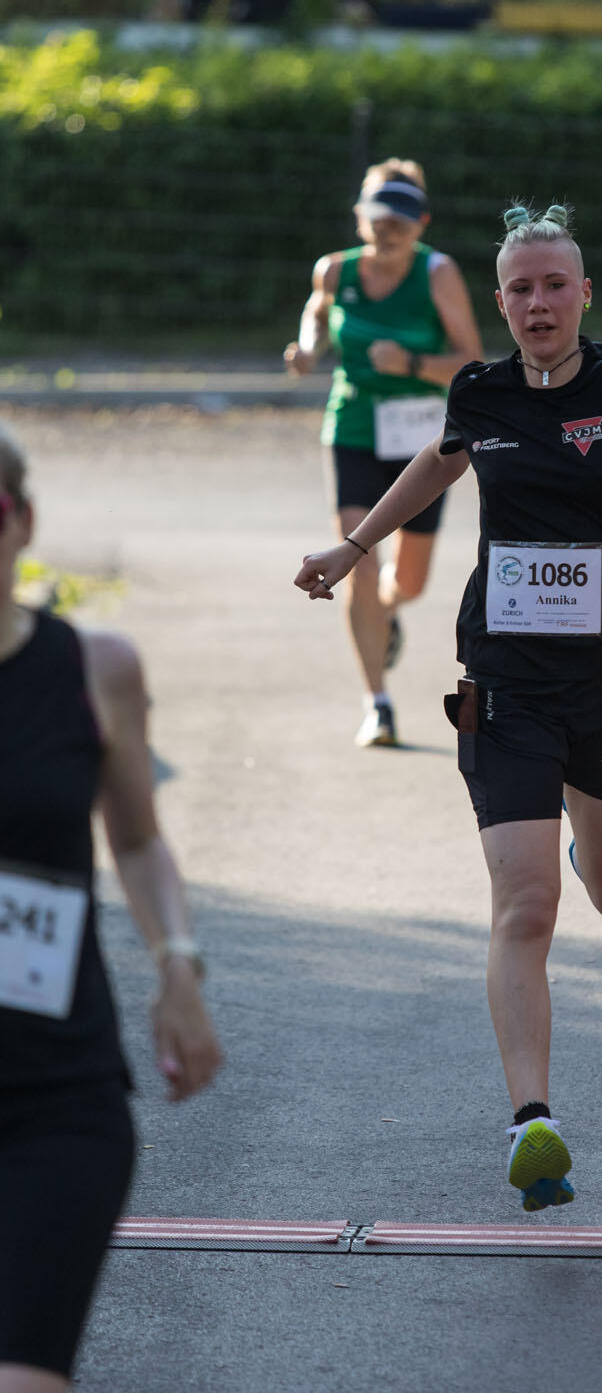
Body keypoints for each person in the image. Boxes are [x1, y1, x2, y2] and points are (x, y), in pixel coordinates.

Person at [294, 204, 602, 1210]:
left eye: (554, 285)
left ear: (583, 294)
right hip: (505, 680)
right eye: (520, 288)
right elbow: (438, 460)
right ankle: (533, 1122)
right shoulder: (478, 390)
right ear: (500, 301)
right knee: (524, 906)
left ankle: (583, 832)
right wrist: (353, 548)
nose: (537, 303)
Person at [0, 422, 223, 1393]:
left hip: (55, 1101)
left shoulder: (96, 669)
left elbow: (135, 839)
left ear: (22, 521)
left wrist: (177, 960)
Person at [284, 158, 483, 747]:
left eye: (400, 218)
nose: (387, 228)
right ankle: (378, 702)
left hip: (423, 442)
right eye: (377, 216)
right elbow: (317, 315)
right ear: (359, 217)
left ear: (421, 223)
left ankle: (387, 612)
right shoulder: (334, 269)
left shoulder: (438, 274)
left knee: (409, 583)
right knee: (358, 564)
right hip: (352, 430)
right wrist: (307, 349)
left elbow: (473, 363)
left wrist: (412, 364)